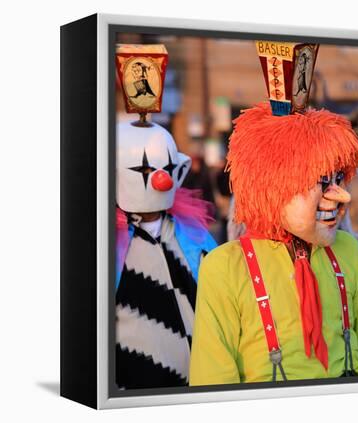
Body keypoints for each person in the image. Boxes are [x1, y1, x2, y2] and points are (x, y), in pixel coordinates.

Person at [189, 41, 358, 386]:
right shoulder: (224, 269)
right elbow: (213, 379)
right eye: (322, 181)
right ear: (274, 183)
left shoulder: (348, 250)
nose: (342, 196)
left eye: (339, 179)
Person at [114, 44, 217, 389]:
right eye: (143, 168)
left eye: (164, 168)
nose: (159, 177)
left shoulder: (194, 235)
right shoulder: (105, 246)